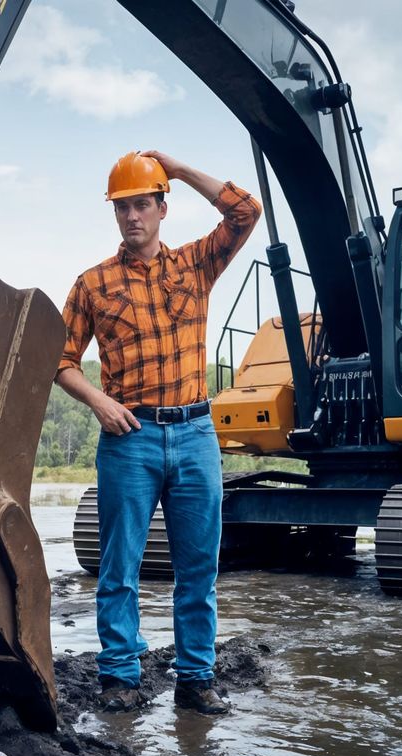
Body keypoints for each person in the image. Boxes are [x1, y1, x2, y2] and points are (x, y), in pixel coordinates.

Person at [54, 150, 260, 716]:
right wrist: (98, 402)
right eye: (122, 207)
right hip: (131, 438)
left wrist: (175, 165)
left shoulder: (195, 265)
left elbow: (245, 212)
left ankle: (195, 680)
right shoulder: (93, 285)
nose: (131, 217)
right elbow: (60, 358)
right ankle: (121, 675)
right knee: (119, 565)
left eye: (142, 204)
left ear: (163, 206)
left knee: (198, 568)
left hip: (195, 434)